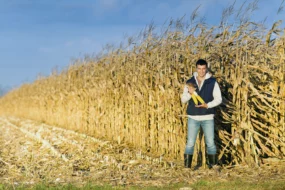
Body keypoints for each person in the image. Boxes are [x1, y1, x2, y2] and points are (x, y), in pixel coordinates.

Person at [181, 59, 222, 169]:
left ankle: (213, 166)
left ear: (206, 68)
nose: (201, 71)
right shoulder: (190, 82)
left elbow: (219, 99)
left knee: (210, 142)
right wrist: (190, 93)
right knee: (190, 143)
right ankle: (187, 167)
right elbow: (183, 100)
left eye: (203, 69)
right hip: (193, 117)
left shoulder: (212, 82)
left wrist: (207, 105)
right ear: (196, 69)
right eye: (199, 69)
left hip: (208, 117)